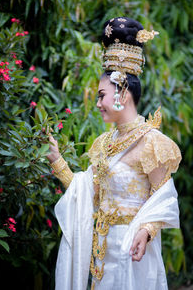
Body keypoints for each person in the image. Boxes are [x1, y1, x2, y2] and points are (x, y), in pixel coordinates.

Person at [47, 17, 182, 290]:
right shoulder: (102, 143)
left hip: (133, 251)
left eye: (101, 95)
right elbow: (87, 197)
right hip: (102, 251)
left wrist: (146, 232)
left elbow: (164, 200)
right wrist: (56, 160)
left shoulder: (152, 143)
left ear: (122, 92)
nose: (97, 104)